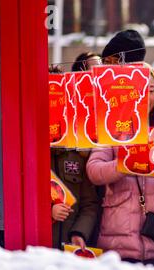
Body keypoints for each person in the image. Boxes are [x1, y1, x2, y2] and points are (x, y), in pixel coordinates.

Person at [87, 33, 154, 267]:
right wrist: (122, 166)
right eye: (140, 89)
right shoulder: (112, 127)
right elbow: (94, 171)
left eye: (151, 89)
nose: (146, 95)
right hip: (119, 244)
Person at [49, 65, 100, 250]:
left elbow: (90, 204)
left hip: (69, 249)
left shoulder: (78, 154)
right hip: (36, 250)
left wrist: (79, 233)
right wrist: (49, 213)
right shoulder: (28, 155)